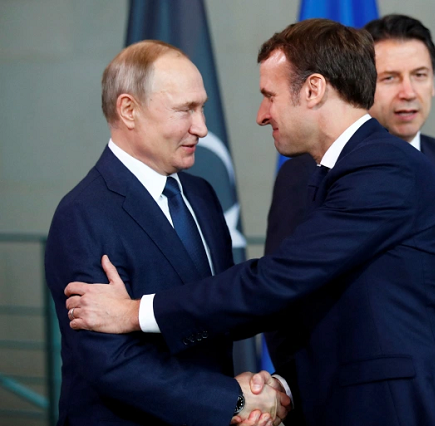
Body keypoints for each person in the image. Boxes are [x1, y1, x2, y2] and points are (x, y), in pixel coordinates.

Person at [64, 20, 435, 426]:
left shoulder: (383, 170)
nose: (262, 114)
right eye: (185, 109)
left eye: (270, 94)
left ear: (314, 89)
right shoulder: (82, 213)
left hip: (402, 407)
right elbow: (290, 296)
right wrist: (256, 392)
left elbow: (275, 281)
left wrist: (135, 312)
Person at [265, 14, 435, 426]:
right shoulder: (304, 173)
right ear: (360, 83)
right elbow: (282, 293)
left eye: (420, 74)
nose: (408, 91)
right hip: (353, 401)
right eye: (390, 77)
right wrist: (301, 390)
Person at [45, 40, 288, 426]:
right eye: (185, 110)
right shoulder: (82, 214)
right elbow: (111, 363)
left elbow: (219, 308)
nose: (202, 128)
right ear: (129, 110)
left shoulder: (202, 195)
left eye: (202, 106)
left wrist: (255, 391)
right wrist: (232, 400)